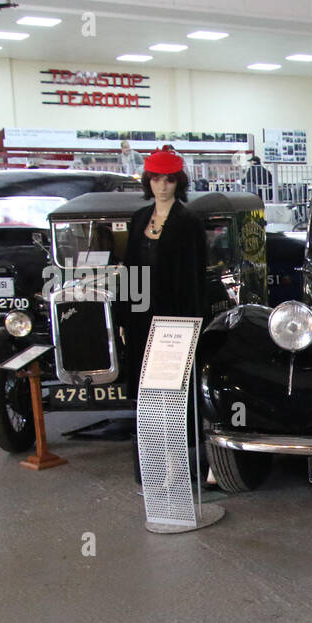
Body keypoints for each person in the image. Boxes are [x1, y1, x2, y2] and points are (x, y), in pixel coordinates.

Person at [124, 145, 209, 483]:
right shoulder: (138, 219)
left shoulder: (188, 222)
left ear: (178, 183)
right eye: (156, 179)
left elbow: (193, 277)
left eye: (169, 180)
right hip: (142, 319)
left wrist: (189, 323)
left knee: (175, 392)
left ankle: (180, 460)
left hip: (175, 319)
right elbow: (131, 270)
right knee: (148, 393)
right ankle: (154, 458)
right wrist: (126, 317)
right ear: (148, 182)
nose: (162, 186)